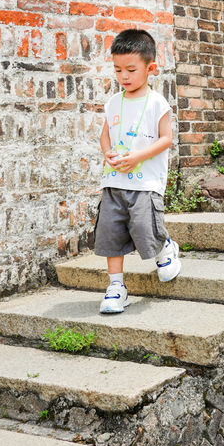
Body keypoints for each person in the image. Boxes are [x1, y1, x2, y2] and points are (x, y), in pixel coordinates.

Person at [95, 28, 181, 313]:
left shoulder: (157, 102)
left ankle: (164, 246)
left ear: (150, 68)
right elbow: (104, 135)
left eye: (131, 69)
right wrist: (108, 153)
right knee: (111, 233)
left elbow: (166, 138)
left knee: (145, 226)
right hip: (114, 180)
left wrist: (137, 157)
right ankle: (116, 287)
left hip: (146, 182)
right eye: (118, 70)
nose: (124, 77)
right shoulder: (113, 102)